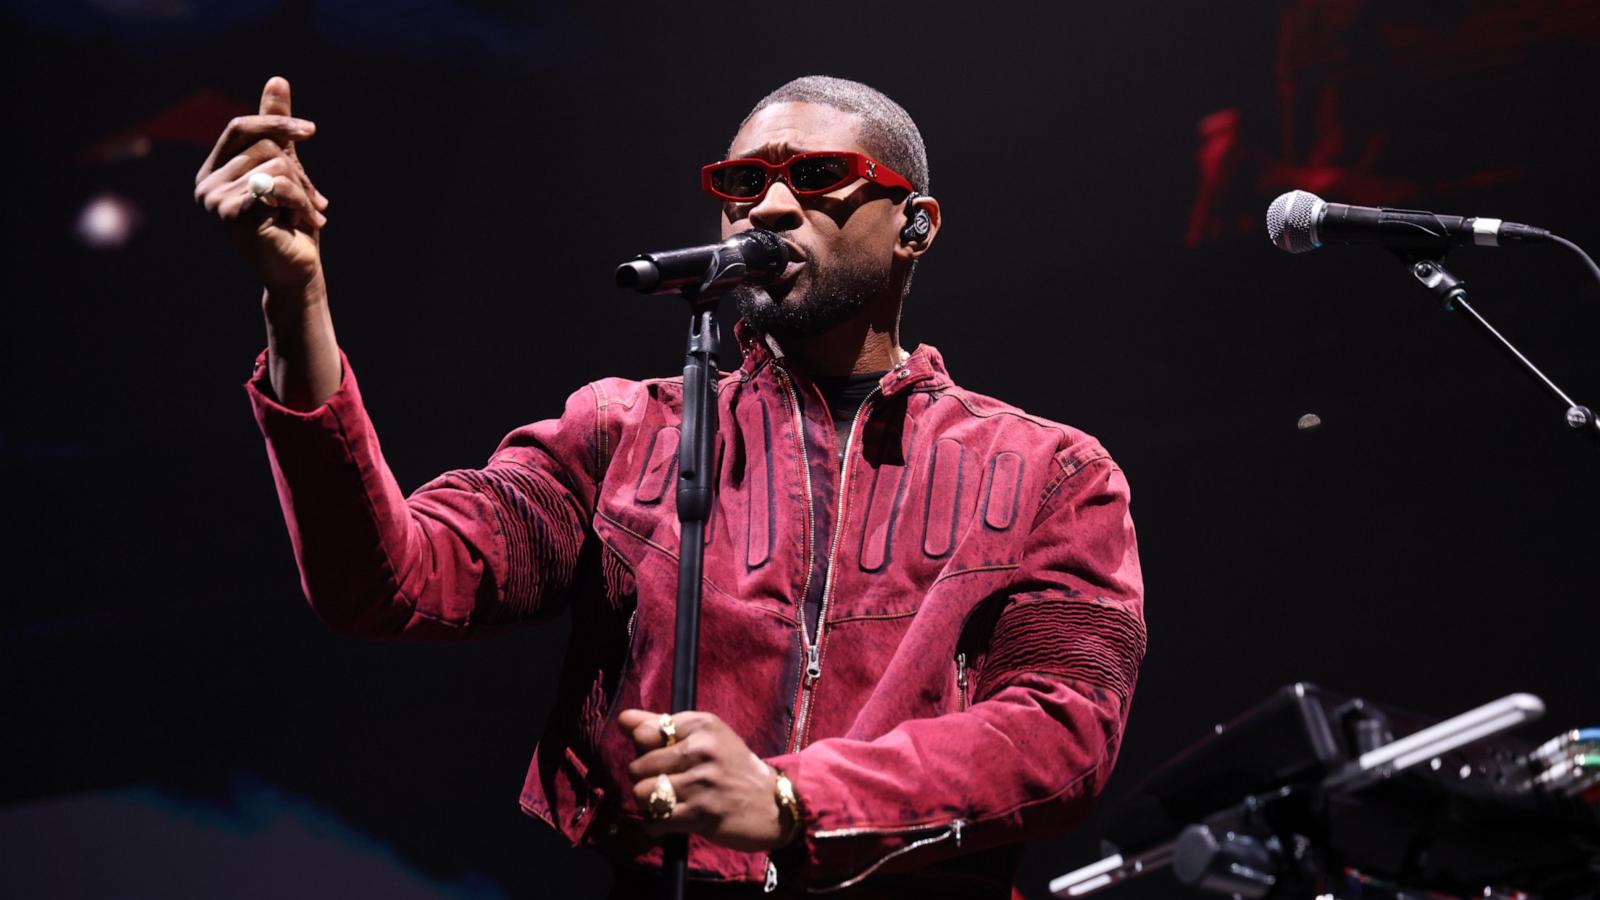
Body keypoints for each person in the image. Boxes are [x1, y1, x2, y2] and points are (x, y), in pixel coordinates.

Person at [195, 73, 1146, 898]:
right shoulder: (623, 434)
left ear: (916, 227)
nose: (770, 207)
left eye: (816, 177)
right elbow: (391, 581)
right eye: (742, 183)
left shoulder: (1051, 473)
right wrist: (297, 298)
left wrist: (792, 800)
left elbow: (1063, 736)